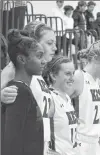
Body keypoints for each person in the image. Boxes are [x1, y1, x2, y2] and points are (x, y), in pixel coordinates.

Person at [1, 21, 57, 155]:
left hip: (41, 142)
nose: (55, 47)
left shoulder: (38, 75)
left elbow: (48, 112)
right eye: (49, 43)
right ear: (35, 41)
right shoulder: (14, 69)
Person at [71, 40, 100, 155]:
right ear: (96, 59)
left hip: (95, 142)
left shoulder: (96, 81)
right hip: (80, 142)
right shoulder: (79, 77)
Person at [42, 56, 78, 155]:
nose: (72, 78)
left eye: (73, 73)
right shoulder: (50, 98)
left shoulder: (67, 97)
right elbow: (37, 131)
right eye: (67, 74)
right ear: (53, 75)